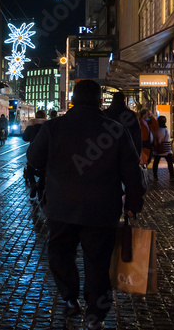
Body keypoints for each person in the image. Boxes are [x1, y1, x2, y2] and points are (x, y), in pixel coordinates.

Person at [27, 79, 144, 329]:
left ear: (72, 100)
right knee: (98, 261)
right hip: (102, 210)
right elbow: (132, 173)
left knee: (60, 253)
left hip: (61, 207)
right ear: (100, 102)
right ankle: (95, 315)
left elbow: (34, 159)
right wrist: (132, 203)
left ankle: (69, 298)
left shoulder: (53, 128)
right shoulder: (116, 130)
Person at [103, 92, 141, 162]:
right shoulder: (131, 115)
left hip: (108, 151)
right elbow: (137, 136)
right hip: (128, 151)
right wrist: (137, 154)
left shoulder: (105, 114)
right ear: (124, 100)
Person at [150, 115, 174, 180]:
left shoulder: (156, 129)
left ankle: (155, 176)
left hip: (157, 147)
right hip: (165, 147)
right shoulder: (164, 129)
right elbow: (164, 138)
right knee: (169, 162)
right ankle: (172, 175)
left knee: (156, 162)